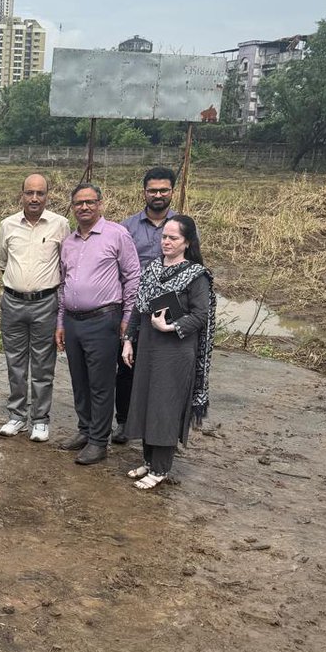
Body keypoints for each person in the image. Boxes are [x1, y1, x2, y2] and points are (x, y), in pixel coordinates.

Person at [121, 215, 215, 490]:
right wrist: (128, 340)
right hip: (149, 347)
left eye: (173, 238)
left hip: (175, 350)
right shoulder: (152, 269)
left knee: (165, 406)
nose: (167, 242)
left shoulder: (196, 276)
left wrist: (171, 326)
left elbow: (200, 316)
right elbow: (139, 307)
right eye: (164, 236)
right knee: (147, 403)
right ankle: (149, 461)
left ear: (187, 242)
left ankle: (161, 468)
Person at [54, 184, 140, 465]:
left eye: (90, 202)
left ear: (100, 204)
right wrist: (60, 322)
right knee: (79, 380)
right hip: (73, 321)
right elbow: (63, 285)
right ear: (73, 206)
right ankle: (84, 429)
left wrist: (127, 319)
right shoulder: (69, 242)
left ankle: (98, 441)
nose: (84, 207)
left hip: (104, 320)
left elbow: (132, 278)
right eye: (79, 203)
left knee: (101, 384)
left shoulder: (117, 235)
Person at [0, 174, 70, 442]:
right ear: (22, 194)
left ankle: (40, 420)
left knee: (43, 364)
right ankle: (17, 416)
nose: (34, 198)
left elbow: (65, 263)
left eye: (40, 193)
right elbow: (3, 261)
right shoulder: (7, 225)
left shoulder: (60, 225)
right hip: (13, 302)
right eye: (30, 192)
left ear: (47, 195)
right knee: (15, 363)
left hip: (45, 303)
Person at [113, 166, 177, 444]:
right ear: (144, 193)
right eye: (153, 190)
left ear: (172, 192)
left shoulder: (182, 225)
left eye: (164, 190)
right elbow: (117, 269)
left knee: (162, 370)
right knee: (127, 366)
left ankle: (157, 427)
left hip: (170, 309)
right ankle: (125, 423)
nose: (158, 195)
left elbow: (194, 265)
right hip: (134, 309)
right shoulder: (127, 227)